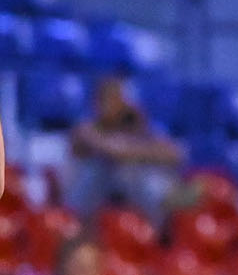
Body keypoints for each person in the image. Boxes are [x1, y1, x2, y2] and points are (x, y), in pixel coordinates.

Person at [67, 76, 184, 216]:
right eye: (110, 99)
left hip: (129, 197)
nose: (117, 104)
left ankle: (173, 211)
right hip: (87, 204)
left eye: (120, 99)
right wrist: (144, 151)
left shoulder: (142, 129)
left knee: (146, 176)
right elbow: (115, 152)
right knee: (108, 168)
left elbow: (177, 154)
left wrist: (140, 130)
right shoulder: (86, 129)